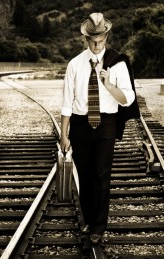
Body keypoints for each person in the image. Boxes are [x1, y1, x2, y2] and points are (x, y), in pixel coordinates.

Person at [60, 12, 140, 244]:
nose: (97, 45)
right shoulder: (74, 64)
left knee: (101, 174)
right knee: (84, 176)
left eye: (101, 41)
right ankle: (88, 219)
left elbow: (126, 100)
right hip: (80, 124)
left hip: (106, 124)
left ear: (106, 36)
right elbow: (67, 102)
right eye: (93, 41)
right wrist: (64, 135)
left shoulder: (118, 64)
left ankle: (99, 226)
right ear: (86, 39)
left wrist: (108, 84)